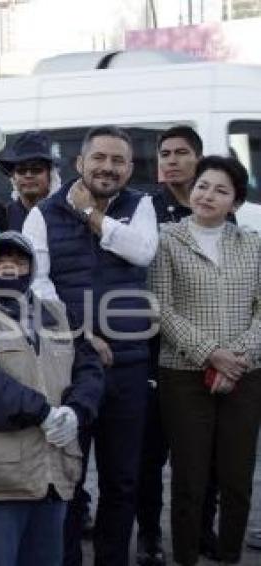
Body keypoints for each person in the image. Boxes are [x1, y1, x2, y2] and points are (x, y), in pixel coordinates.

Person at [23, 125, 158, 566]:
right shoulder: (42, 214)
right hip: (69, 364)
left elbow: (142, 252)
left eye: (118, 160)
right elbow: (37, 285)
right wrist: (78, 333)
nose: (108, 167)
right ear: (79, 163)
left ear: (130, 168)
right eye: (99, 158)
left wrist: (92, 218)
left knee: (122, 479)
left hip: (129, 365)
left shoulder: (142, 206)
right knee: (68, 478)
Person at [0, 231, 103, 566]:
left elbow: (89, 367)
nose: (8, 268)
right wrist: (44, 413)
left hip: (54, 475)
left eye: (17, 261)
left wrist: (77, 412)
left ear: (32, 268)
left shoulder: (59, 314)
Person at [151, 155, 261, 565]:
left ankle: (230, 554)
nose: (207, 195)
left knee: (236, 478)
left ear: (235, 202)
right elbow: (160, 307)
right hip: (183, 374)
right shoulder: (165, 238)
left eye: (220, 190)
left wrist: (238, 357)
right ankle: (185, 556)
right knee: (188, 479)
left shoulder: (252, 243)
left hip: (246, 373)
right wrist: (209, 353)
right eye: (202, 185)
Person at [135, 125, 220, 565]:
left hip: (208, 349)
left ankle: (202, 529)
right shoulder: (146, 207)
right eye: (164, 153)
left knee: (205, 456)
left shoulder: (218, 209)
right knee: (150, 455)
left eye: (181, 152)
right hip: (156, 350)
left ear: (199, 158)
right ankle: (149, 537)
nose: (170, 160)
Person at [0, 131, 61, 232]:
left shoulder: (66, 213)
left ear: (51, 175)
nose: (28, 175)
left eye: (36, 170)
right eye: (21, 170)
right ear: (13, 177)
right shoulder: (5, 216)